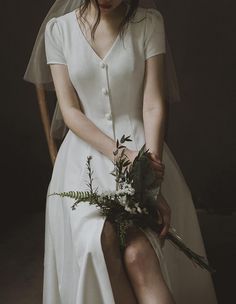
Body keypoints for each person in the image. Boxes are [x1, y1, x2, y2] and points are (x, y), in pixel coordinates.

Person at [24, 0, 218, 303]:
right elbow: (71, 112)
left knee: (139, 253)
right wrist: (121, 155)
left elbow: (153, 103)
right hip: (83, 161)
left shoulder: (149, 23)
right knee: (99, 241)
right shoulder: (58, 31)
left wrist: (149, 180)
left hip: (144, 150)